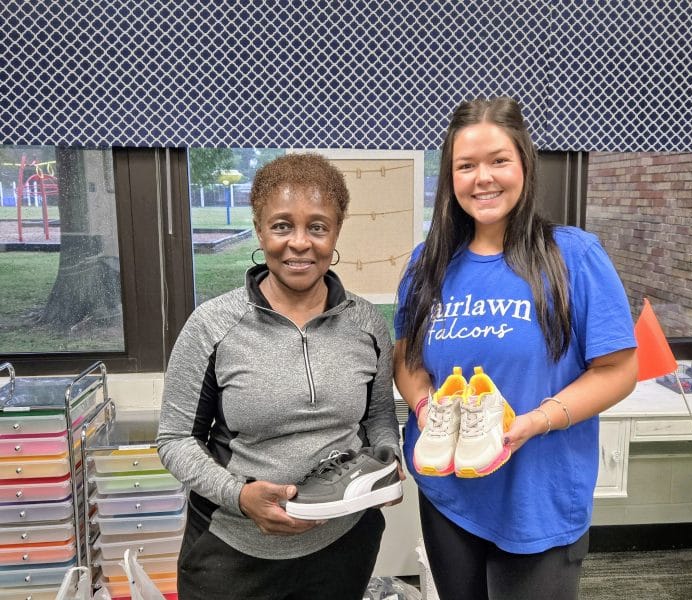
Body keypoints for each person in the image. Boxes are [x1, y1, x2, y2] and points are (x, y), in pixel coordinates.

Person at [394, 97, 638, 600]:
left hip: (539, 497)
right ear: (450, 176)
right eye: (466, 166)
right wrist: (425, 407)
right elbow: (408, 358)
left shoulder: (574, 255)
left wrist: (535, 421)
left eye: (498, 161)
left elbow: (618, 369)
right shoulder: (428, 263)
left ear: (524, 163)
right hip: (449, 492)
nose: (482, 177)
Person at [157, 153, 401, 600]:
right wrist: (238, 495)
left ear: (336, 232)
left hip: (342, 547)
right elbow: (174, 440)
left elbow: (379, 418)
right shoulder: (213, 324)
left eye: (318, 226)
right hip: (232, 553)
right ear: (259, 229)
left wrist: (386, 459)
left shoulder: (366, 323)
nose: (300, 243)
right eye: (282, 225)